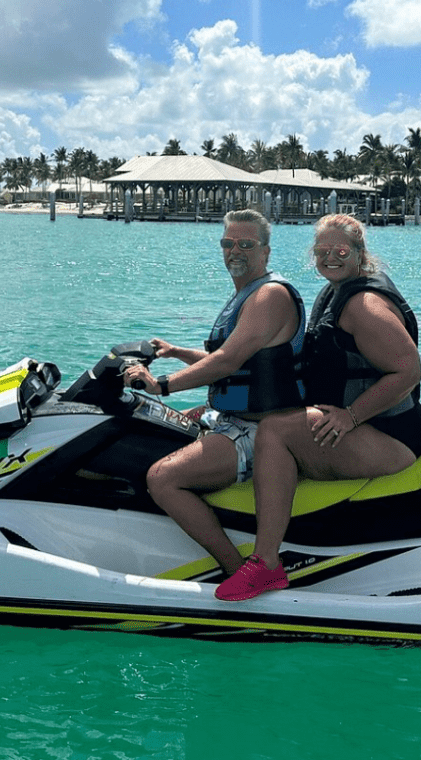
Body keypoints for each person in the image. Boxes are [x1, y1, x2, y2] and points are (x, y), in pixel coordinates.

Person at [214, 213, 421, 601]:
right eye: (321, 251)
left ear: (360, 254)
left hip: (390, 435)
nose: (330, 257)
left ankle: (265, 564)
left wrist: (351, 416)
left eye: (341, 250)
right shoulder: (336, 290)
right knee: (275, 422)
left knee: (275, 433)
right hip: (365, 425)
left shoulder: (363, 304)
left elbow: (409, 371)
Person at [121, 209, 305, 576]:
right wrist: (176, 352)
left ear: (266, 252)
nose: (234, 250)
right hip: (227, 420)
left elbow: (226, 361)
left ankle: (238, 570)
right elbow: (242, 365)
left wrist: (163, 386)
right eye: (228, 243)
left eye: (246, 244)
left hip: (256, 432)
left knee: (163, 478)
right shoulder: (247, 294)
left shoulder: (269, 296)